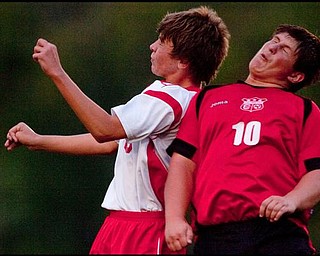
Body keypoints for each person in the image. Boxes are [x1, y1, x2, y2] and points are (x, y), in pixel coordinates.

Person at [4, 6, 230, 254]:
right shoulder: (178, 99)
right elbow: (112, 143)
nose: (152, 46)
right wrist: (38, 140)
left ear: (183, 60)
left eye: (163, 42)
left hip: (145, 228)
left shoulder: (171, 99)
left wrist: (57, 73)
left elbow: (104, 130)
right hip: (120, 223)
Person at [164, 24, 320, 255]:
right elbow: (183, 164)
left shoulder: (305, 110)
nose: (271, 47)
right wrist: (174, 218)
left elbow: (316, 173)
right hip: (215, 236)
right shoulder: (208, 98)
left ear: (295, 75)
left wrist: (292, 200)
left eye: (283, 49)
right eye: (273, 40)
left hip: (278, 234)